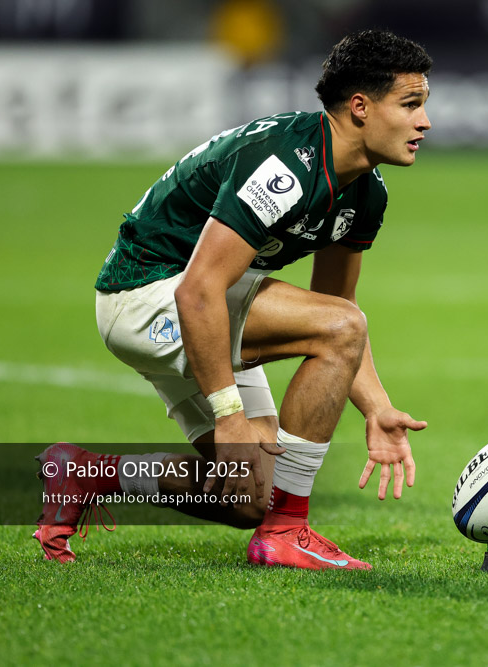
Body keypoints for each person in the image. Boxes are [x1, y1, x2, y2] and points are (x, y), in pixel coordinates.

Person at [33, 29, 433, 570]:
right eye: (410, 105)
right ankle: (288, 532)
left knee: (252, 496)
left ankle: (87, 472)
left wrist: (378, 408)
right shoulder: (285, 166)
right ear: (360, 107)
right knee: (336, 333)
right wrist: (228, 415)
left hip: (206, 306)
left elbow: (336, 305)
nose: (424, 122)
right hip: (148, 295)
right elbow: (200, 288)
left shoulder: (366, 192)